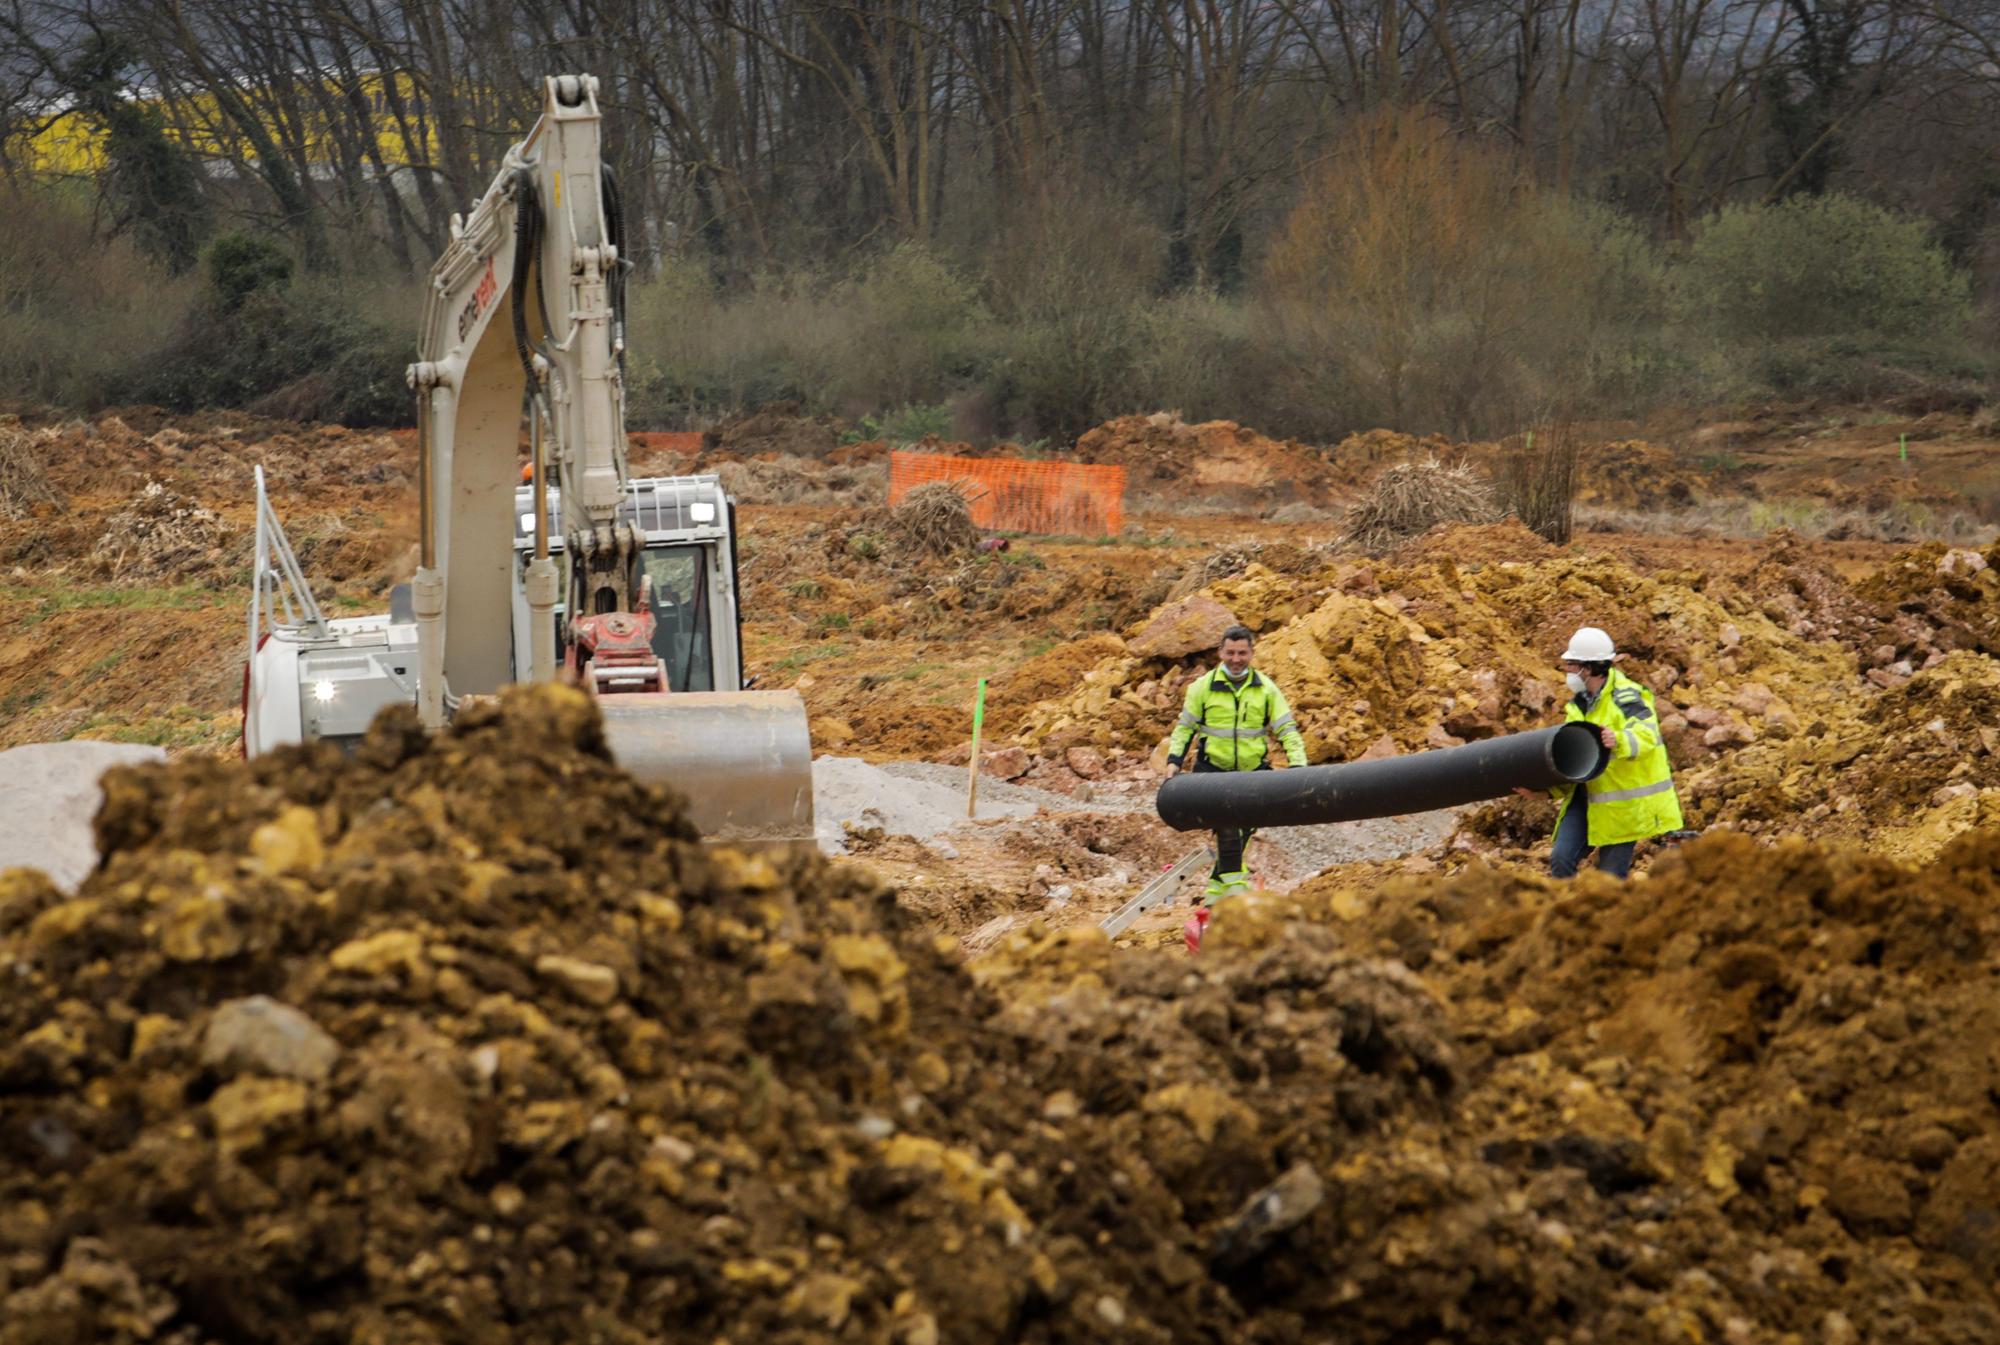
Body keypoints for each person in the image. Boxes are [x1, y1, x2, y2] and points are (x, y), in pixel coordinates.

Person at [1164, 626, 1308, 935]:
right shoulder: (1202, 687)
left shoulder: (1266, 689)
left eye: (1242, 653)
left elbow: (1286, 729)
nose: (1236, 659)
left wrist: (1299, 766)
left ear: (1251, 654)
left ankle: (1218, 893)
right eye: (1230, 653)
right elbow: (1185, 728)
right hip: (1213, 773)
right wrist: (1174, 762)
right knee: (1228, 828)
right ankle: (1230, 895)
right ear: (1220, 653)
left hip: (1252, 773)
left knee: (1243, 830)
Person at [1516, 626, 1683, 878]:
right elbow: (1575, 762)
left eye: (1572, 664)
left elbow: (1648, 734)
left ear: (1590, 667)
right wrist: (1545, 792)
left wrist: (1619, 739)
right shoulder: (1578, 706)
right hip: (1588, 798)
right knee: (1561, 859)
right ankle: (1568, 915)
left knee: (1609, 879)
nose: (1568, 671)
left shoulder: (1627, 697)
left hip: (1622, 808)